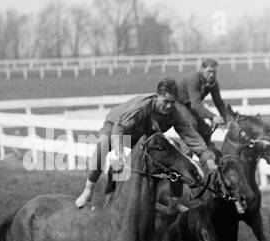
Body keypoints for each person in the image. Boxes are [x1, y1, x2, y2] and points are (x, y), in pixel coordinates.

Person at [74, 78, 218, 210]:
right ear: (157, 96)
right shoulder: (142, 107)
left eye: (172, 102)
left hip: (142, 135)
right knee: (103, 144)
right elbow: (119, 128)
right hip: (117, 127)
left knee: (174, 149)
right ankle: (89, 189)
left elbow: (192, 138)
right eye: (165, 101)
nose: (168, 106)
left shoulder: (175, 113)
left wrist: (208, 160)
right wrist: (119, 154)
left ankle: (173, 201)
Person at [178, 57, 235, 149]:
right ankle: (185, 154)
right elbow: (196, 105)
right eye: (209, 72)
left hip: (189, 106)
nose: (212, 75)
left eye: (214, 72)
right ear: (201, 70)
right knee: (192, 124)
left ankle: (207, 156)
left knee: (205, 130)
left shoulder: (213, 83)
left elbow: (219, 102)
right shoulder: (193, 79)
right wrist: (213, 117)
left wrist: (227, 119)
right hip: (177, 104)